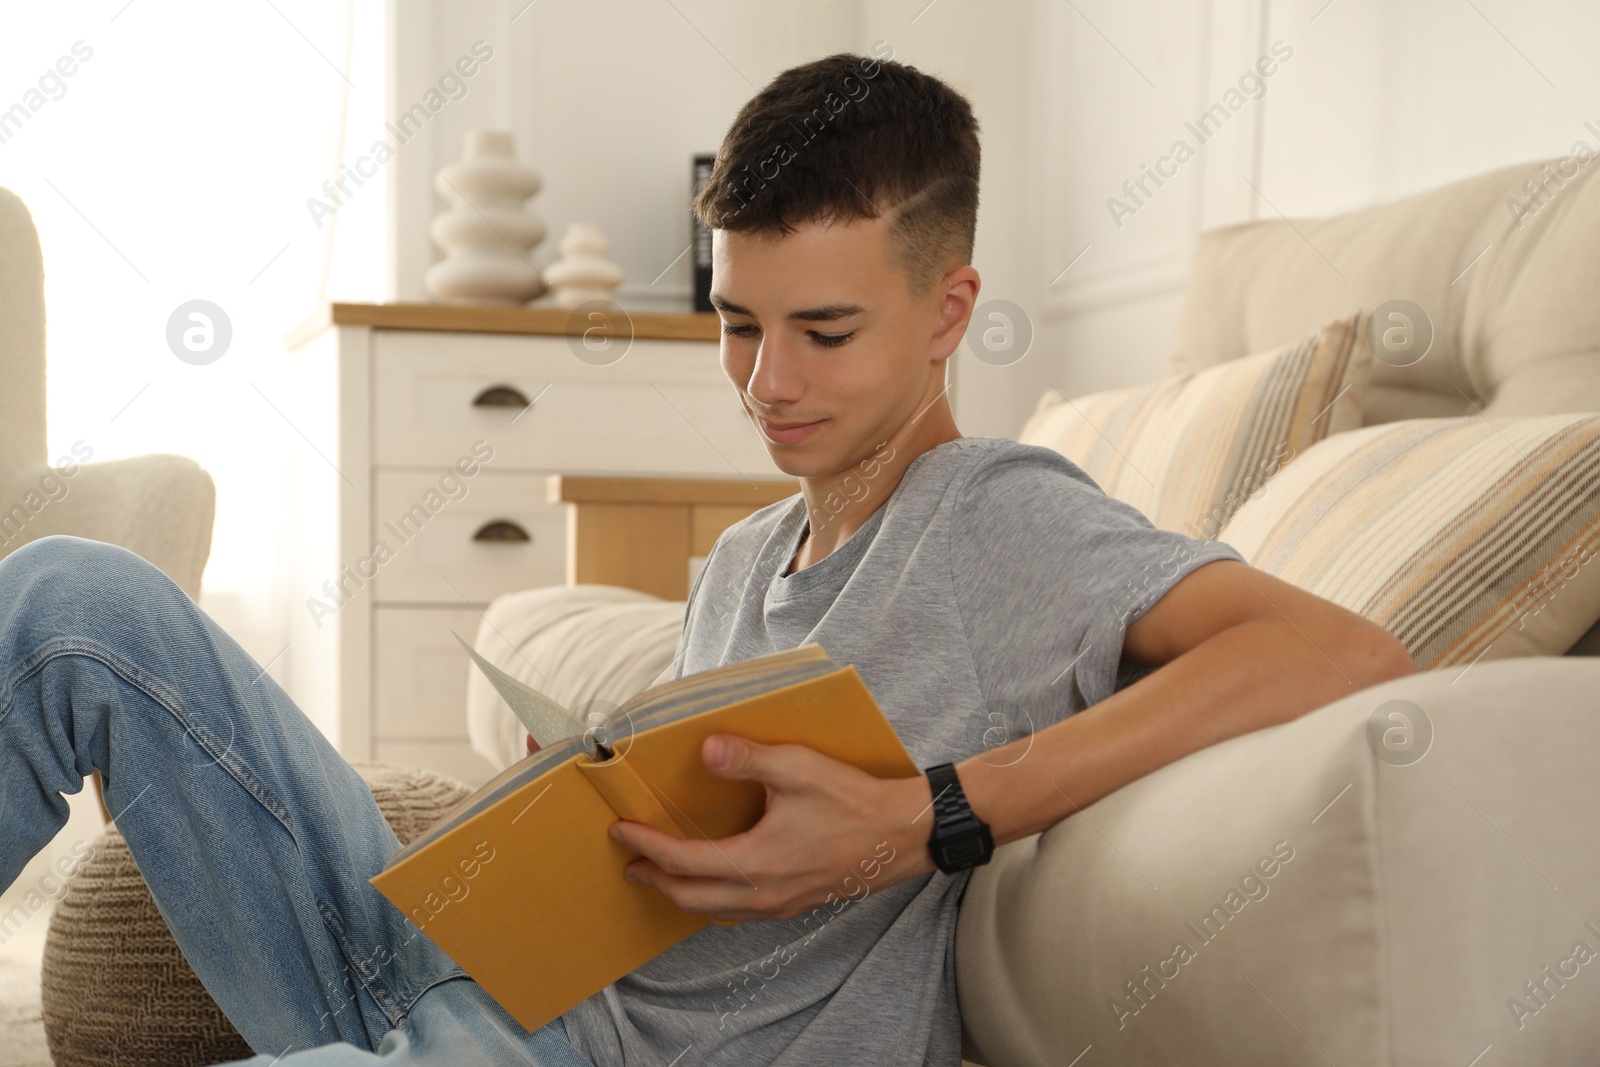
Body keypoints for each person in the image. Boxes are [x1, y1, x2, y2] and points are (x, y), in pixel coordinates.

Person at [0, 52, 1414, 1067]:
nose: (766, 383)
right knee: (68, 599)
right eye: (739, 323)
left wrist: (930, 817)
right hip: (470, 971)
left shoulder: (1001, 515)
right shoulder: (746, 554)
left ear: (948, 309)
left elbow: (1344, 651)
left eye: (825, 331)